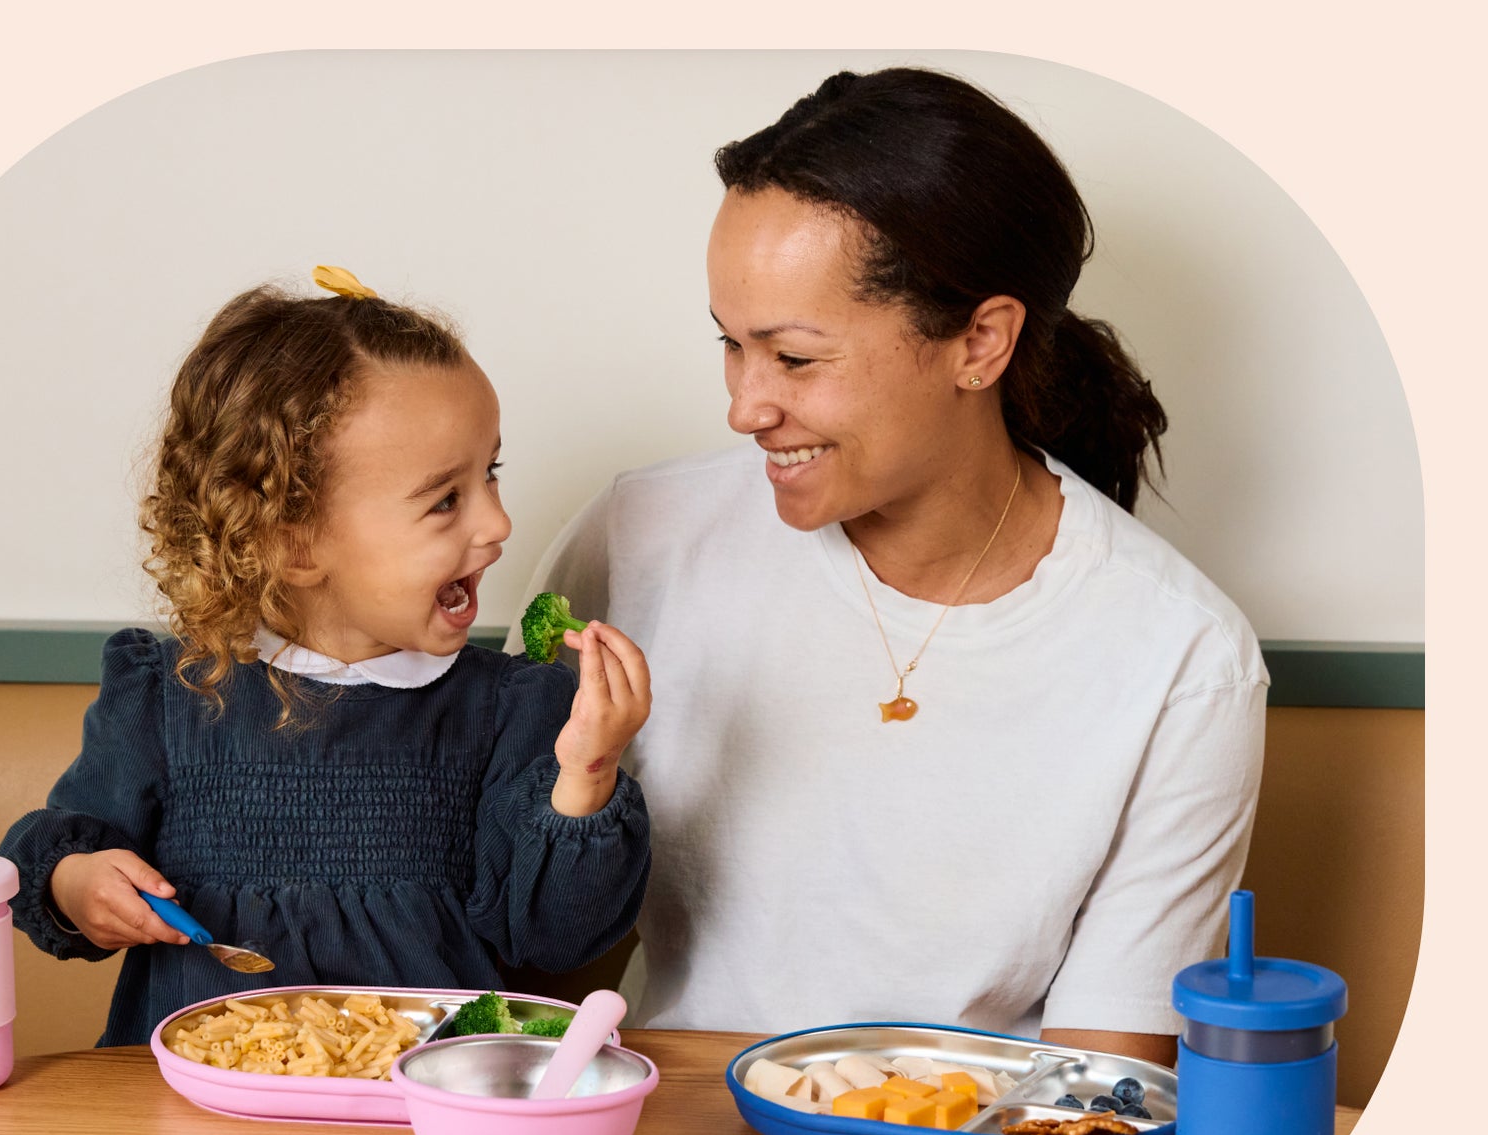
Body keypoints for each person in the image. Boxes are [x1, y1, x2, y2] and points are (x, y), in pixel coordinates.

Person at [510, 69, 1266, 1066]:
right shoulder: (638, 535)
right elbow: (523, 949)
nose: (745, 406)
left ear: (980, 343)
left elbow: (1098, 1086)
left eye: (795, 357)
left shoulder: (1181, 657)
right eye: (731, 346)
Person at [1, 267, 652, 1047]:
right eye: (446, 499)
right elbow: (57, 849)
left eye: (492, 474)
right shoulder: (166, 694)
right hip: (192, 1120)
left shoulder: (512, 711)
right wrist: (80, 884)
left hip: (419, 1116)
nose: (499, 522)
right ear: (294, 542)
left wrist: (588, 773)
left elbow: (551, 938)